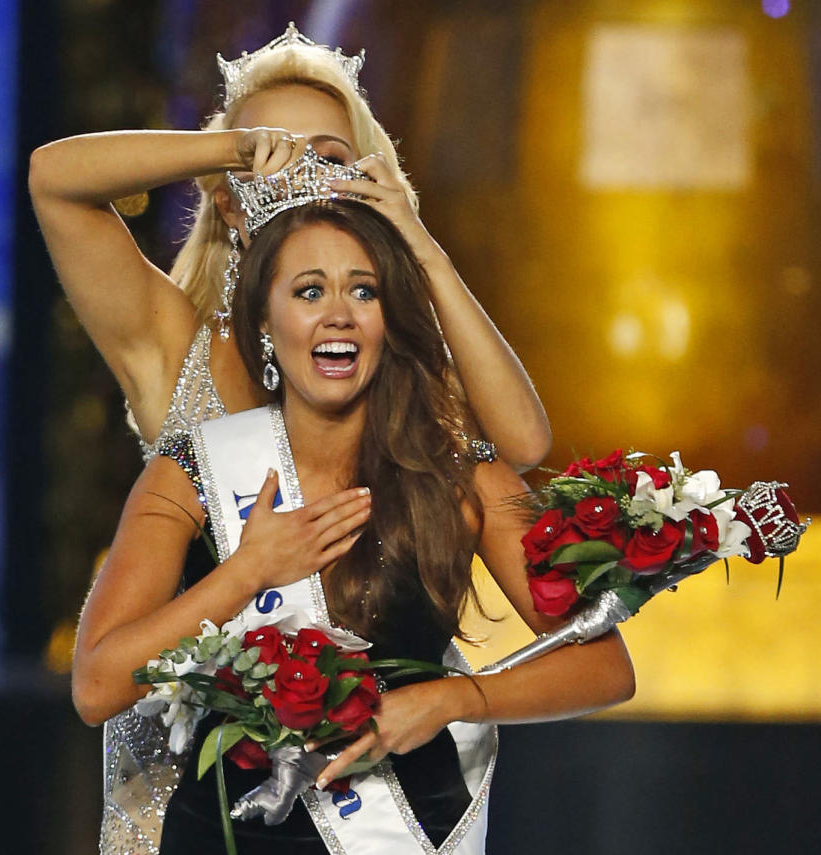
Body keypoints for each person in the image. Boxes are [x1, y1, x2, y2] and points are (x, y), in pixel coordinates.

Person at [30, 24, 553, 852]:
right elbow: (53, 178)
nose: (305, 176)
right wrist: (233, 148)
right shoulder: (176, 343)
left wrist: (410, 234)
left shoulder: (383, 358)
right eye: (279, 157)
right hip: (192, 788)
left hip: (366, 787)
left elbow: (520, 440)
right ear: (230, 192)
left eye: (329, 156)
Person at [71, 191, 635, 853]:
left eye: (363, 291)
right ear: (263, 320)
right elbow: (97, 686)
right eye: (309, 291)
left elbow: (605, 667)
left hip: (405, 829)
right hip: (227, 835)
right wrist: (250, 570)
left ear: (389, 319)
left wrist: (451, 700)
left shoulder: (460, 476)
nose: (337, 314)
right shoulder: (192, 471)